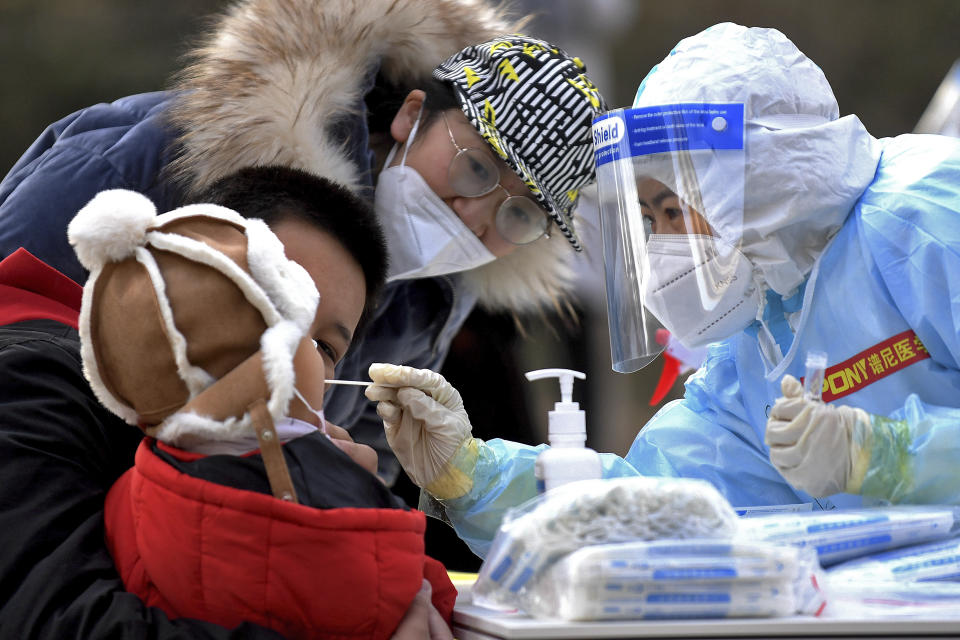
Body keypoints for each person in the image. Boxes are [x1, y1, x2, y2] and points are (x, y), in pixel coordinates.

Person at [362, 22, 960, 558]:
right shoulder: (757, 343)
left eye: (674, 208)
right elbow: (658, 503)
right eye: (649, 219)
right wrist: (473, 474)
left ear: (761, 177)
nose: (665, 244)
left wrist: (889, 455)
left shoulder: (929, 218)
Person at [0, 0, 607, 486]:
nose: (474, 216)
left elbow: (363, 455)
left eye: (519, 216)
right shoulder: (165, 153)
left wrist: (341, 480)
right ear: (412, 114)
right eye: (475, 168)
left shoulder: (435, 296)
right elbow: (14, 329)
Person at [0, 165, 450, 638]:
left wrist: (335, 518)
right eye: (270, 301)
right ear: (185, 272)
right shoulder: (32, 380)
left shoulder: (271, 456)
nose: (292, 353)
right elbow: (48, 620)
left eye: (325, 347)